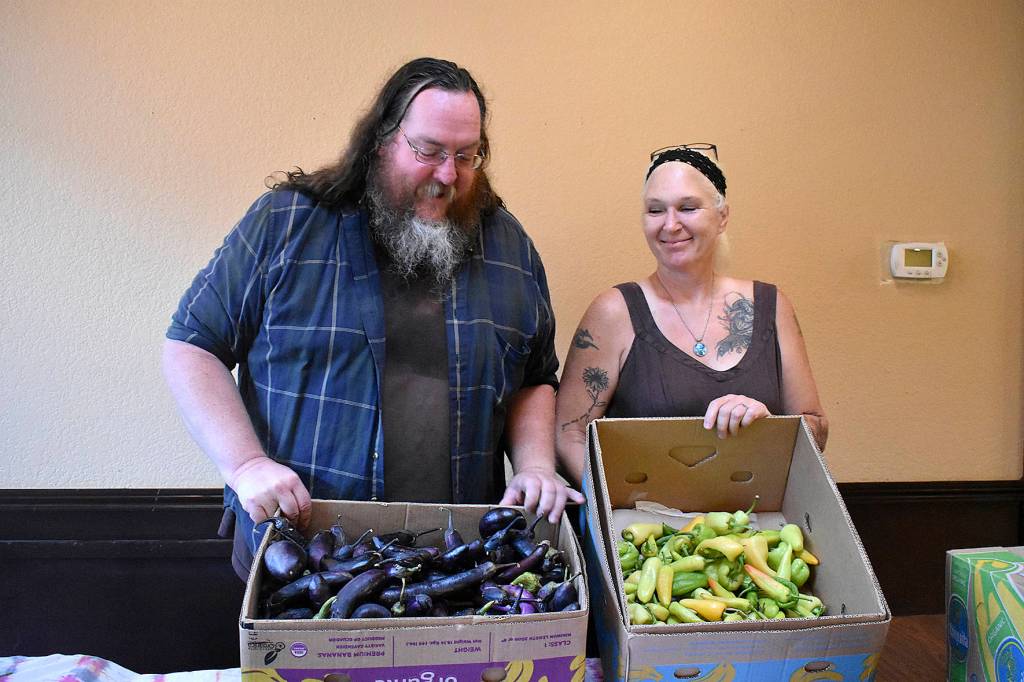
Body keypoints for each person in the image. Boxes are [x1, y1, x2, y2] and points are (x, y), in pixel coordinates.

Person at [163, 57, 583, 579]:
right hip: (301, 559)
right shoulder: (287, 224)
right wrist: (245, 465)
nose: (448, 174)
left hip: (454, 566)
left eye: (467, 155)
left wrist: (537, 465)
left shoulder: (508, 246)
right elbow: (192, 345)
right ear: (382, 140)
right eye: (428, 151)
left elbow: (535, 378)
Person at [555, 144, 828, 488]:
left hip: (759, 527)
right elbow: (570, 433)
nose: (670, 225)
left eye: (687, 207)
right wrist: (614, 508)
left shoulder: (773, 306)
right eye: (655, 210)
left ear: (722, 216)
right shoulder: (614, 311)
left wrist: (771, 425)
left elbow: (816, 427)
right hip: (643, 529)